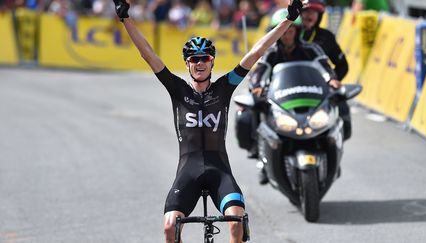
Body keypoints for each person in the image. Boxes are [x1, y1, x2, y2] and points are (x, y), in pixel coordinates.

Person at [111, 0, 304, 242]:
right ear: (187, 63)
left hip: (219, 171)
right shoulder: (177, 89)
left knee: (236, 222)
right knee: (170, 226)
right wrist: (125, 18)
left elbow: (256, 52)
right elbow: (147, 53)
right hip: (187, 172)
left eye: (204, 58)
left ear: (212, 61)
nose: (199, 62)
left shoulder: (225, 87)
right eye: (193, 59)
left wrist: (288, 19)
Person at [246, 8, 339, 184]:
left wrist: (332, 80)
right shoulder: (270, 52)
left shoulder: (312, 49)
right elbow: (259, 71)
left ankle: (332, 151)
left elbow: (325, 67)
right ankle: (260, 155)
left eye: (291, 31)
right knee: (255, 109)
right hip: (280, 100)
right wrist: (257, 87)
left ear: (297, 32)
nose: (287, 36)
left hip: (309, 96)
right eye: (283, 32)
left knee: (334, 110)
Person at [299, 0, 352, 141]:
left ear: (319, 16)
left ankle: (335, 144)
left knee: (342, 106)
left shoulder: (326, 37)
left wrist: (332, 82)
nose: (309, 16)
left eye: (313, 12)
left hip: (319, 89)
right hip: (289, 89)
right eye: (305, 11)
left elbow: (343, 65)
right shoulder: (285, 33)